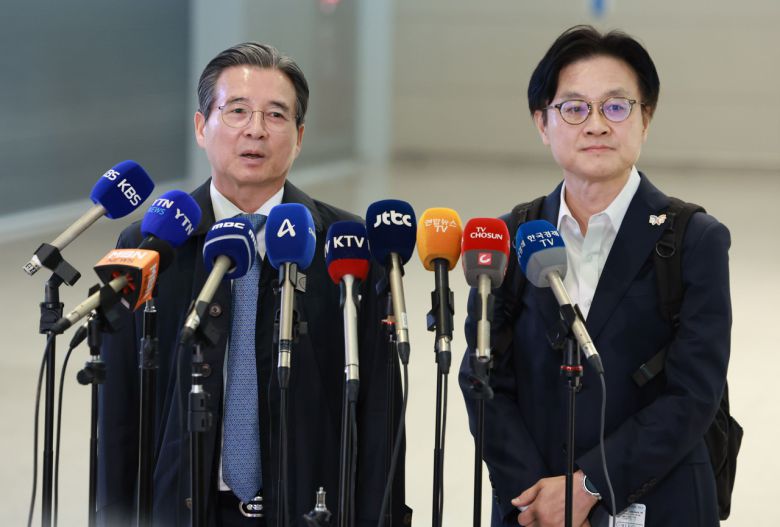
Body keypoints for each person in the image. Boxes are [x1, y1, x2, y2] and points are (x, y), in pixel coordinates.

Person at [97, 42, 410, 527]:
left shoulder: (347, 244)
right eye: (237, 110)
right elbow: (119, 409)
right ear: (201, 127)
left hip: (310, 507)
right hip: (181, 505)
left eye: (276, 115)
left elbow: (380, 412)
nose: (256, 130)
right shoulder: (150, 244)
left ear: (299, 137)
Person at [460, 25, 731, 526]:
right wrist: (538, 499)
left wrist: (588, 487)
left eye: (616, 106)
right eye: (574, 108)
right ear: (543, 123)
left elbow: (694, 395)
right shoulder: (507, 236)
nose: (596, 125)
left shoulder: (695, 240)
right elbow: (482, 379)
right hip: (532, 508)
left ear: (645, 119)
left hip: (658, 504)